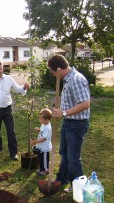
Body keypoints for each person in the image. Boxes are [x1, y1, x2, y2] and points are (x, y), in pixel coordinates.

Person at [47, 55, 90, 192]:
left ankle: (78, 186)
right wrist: (61, 111)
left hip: (77, 125)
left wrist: (64, 113)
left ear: (59, 69)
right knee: (64, 153)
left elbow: (85, 103)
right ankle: (62, 179)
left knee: (73, 158)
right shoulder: (68, 80)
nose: (53, 75)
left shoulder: (76, 80)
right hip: (69, 123)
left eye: (53, 72)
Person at [0, 60, 30, 161]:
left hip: (7, 110)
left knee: (11, 131)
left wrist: (24, 88)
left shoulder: (8, 79)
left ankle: (13, 153)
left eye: (1, 69)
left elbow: (17, 89)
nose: (0, 71)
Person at [30, 109, 52, 176]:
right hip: (41, 146)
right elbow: (42, 132)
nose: (40, 120)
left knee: (44, 159)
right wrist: (39, 130)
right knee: (41, 159)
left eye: (41, 119)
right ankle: (41, 169)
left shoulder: (48, 128)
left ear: (47, 119)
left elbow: (44, 138)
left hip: (45, 147)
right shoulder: (44, 124)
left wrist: (35, 142)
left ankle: (45, 170)